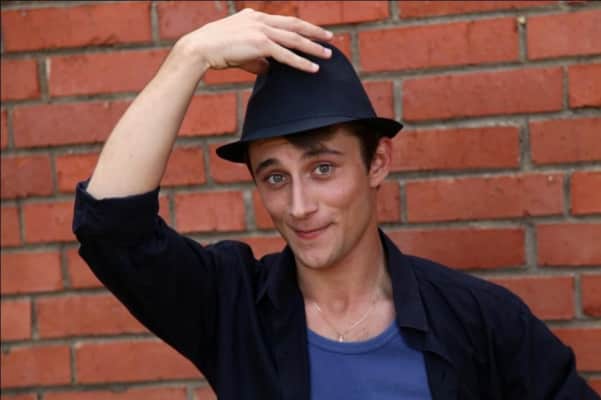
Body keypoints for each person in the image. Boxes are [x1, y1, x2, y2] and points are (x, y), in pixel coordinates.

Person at [72, 8, 598, 400]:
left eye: (322, 168)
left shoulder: (478, 318)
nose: (299, 205)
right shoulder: (234, 308)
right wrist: (189, 56)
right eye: (275, 177)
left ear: (377, 162)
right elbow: (109, 228)